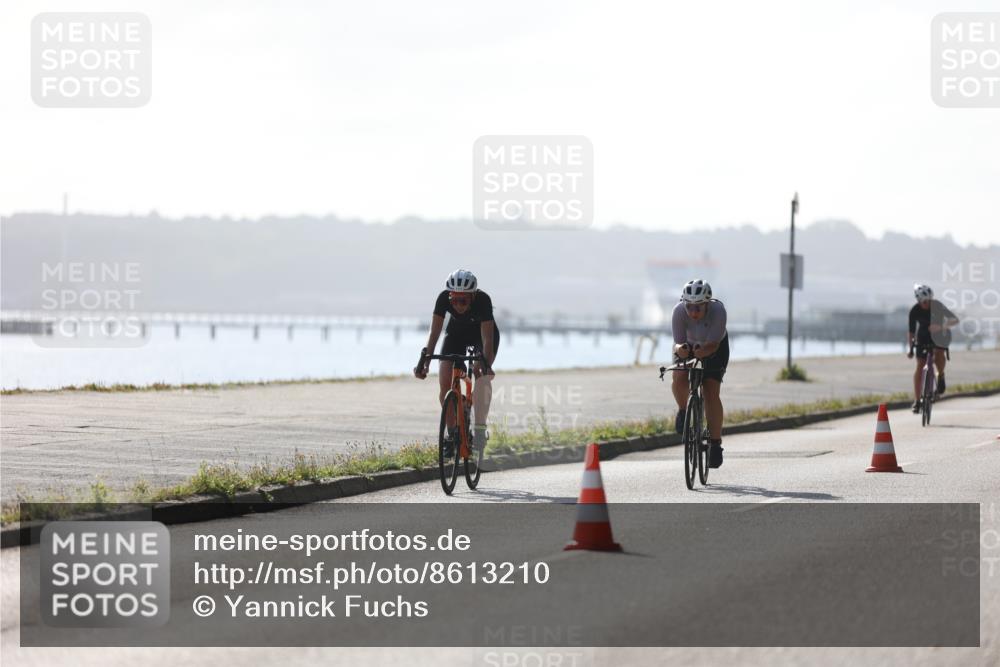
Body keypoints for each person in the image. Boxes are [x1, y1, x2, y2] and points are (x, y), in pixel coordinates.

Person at [414, 269, 499, 452]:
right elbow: (434, 332)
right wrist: (425, 361)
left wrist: (486, 364)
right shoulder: (443, 298)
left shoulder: (483, 300)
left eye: (464, 301)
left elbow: (487, 339)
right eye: (455, 300)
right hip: (456, 334)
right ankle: (452, 434)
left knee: (480, 375)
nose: (458, 305)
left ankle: (480, 429)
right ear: (450, 296)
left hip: (481, 336)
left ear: (473, 296)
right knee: (444, 380)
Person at [670, 279, 730, 468]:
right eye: (689, 307)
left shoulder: (718, 311)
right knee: (679, 375)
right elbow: (678, 344)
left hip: (715, 347)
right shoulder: (678, 311)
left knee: (711, 391)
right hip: (689, 345)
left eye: (698, 308)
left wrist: (700, 352)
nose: (693, 312)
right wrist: (681, 350)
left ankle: (715, 443)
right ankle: (683, 410)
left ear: (707, 305)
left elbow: (712, 346)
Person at [907, 283, 959, 412]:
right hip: (923, 336)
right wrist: (910, 348)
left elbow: (954, 320)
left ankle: (940, 375)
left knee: (939, 354)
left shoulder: (937, 306)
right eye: (924, 302)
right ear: (919, 301)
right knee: (920, 366)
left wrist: (940, 327)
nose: (927, 304)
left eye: (929, 300)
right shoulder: (914, 310)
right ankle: (917, 400)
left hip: (940, 334)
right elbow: (911, 332)